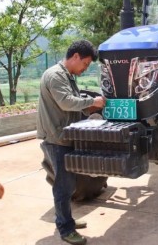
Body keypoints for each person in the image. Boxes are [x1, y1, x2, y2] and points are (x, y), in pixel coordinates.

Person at [37, 40, 106, 245]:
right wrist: (93, 102)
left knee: (70, 184)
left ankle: (67, 220)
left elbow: (73, 102)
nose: (84, 69)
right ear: (75, 56)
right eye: (84, 64)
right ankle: (65, 229)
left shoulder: (67, 76)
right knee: (63, 186)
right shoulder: (55, 75)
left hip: (65, 136)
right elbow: (66, 102)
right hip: (57, 139)